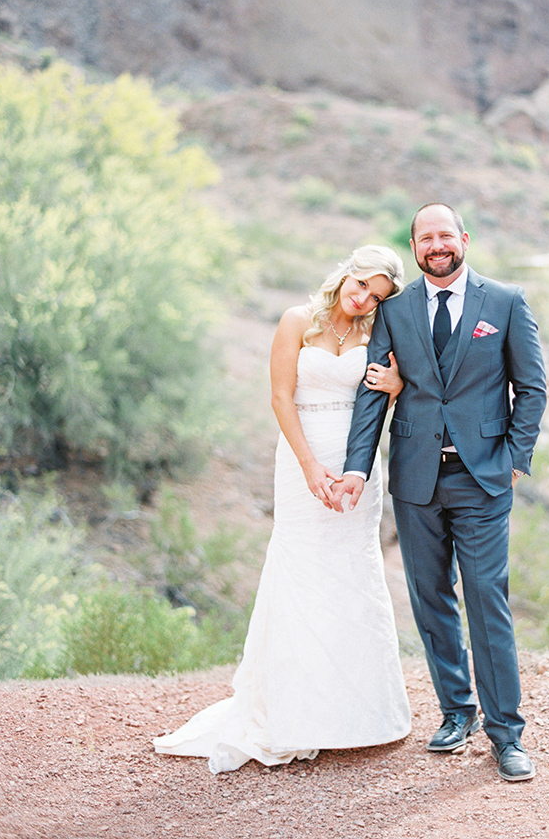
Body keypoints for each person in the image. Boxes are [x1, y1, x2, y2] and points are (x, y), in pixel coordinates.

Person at [153, 246, 411, 772]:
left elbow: (395, 395)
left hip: (360, 463)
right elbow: (280, 398)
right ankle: (296, 709)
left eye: (376, 297)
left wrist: (398, 387)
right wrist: (311, 468)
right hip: (302, 455)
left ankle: (361, 712)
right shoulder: (297, 319)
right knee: (302, 569)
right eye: (360, 286)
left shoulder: (378, 335)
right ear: (346, 274)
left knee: (354, 571)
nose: (363, 300)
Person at [335, 204, 546, 782]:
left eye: (445, 235)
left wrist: (515, 462)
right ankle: (457, 712)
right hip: (416, 478)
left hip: (484, 479)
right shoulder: (396, 311)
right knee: (430, 600)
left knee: (486, 600)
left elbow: (531, 387)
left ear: (464, 239)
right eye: (425, 238)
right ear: (414, 246)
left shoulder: (504, 301)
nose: (437, 245)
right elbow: (374, 393)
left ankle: (507, 734)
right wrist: (358, 466)